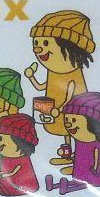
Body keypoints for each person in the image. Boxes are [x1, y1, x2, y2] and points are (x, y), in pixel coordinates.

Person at [23, 10, 94, 138]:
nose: (38, 49)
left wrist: (60, 109)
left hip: (69, 113)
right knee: (62, 131)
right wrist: (31, 77)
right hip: (53, 113)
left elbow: (71, 97)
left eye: (46, 43)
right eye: (36, 43)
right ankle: (67, 147)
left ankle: (70, 149)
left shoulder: (73, 75)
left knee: (71, 130)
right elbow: (40, 87)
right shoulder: (53, 73)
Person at [45, 91, 100, 194]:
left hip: (97, 176)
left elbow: (97, 157)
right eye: (67, 120)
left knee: (85, 183)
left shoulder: (95, 144)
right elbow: (79, 155)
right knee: (80, 181)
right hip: (81, 173)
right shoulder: (79, 142)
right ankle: (55, 186)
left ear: (93, 124)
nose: (68, 124)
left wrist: (94, 169)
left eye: (73, 120)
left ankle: (67, 188)